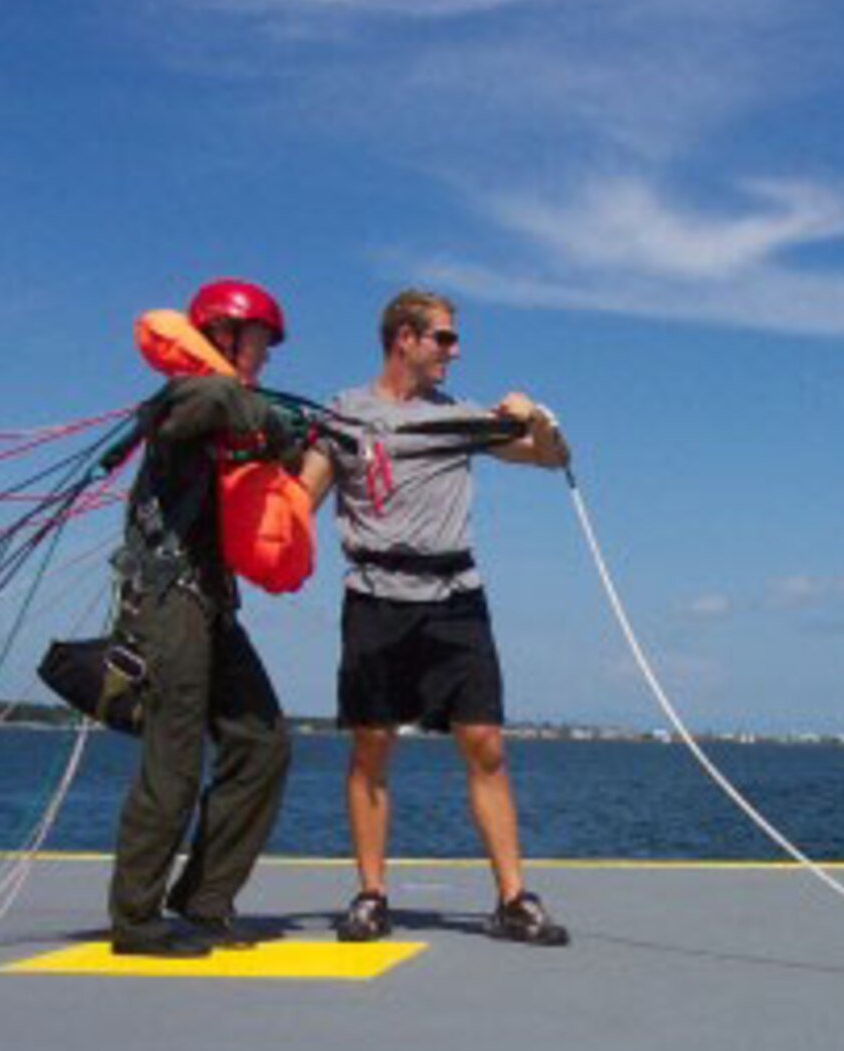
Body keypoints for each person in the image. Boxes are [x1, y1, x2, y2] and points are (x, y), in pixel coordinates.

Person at [299, 288, 572, 946]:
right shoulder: (342, 413)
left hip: (455, 596)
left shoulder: (461, 417)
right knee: (372, 748)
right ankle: (371, 895)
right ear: (405, 339)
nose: (456, 350)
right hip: (374, 597)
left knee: (486, 745)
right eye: (445, 338)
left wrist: (535, 418)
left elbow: (551, 457)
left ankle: (513, 898)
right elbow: (298, 499)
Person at [106, 278, 301, 958]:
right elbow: (209, 402)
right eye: (259, 341)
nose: (267, 356)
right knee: (176, 755)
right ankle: (135, 918)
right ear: (223, 334)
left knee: (263, 741)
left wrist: (286, 437)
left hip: (212, 600)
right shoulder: (186, 396)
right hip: (168, 598)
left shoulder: (232, 409)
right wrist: (267, 416)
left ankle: (204, 897)